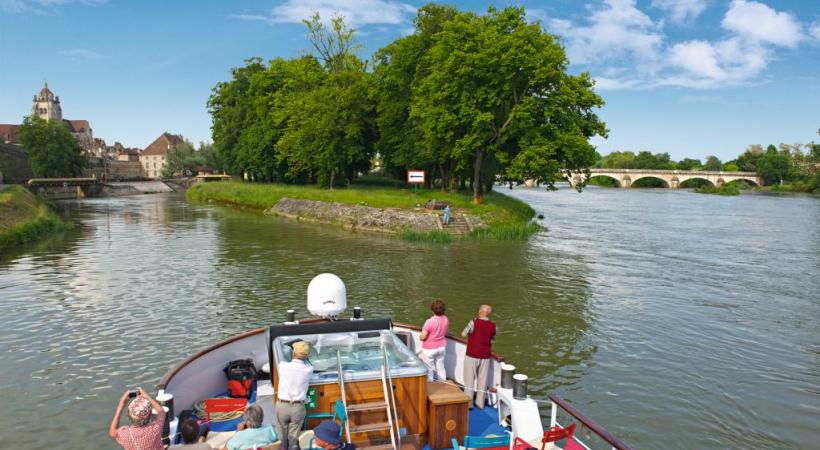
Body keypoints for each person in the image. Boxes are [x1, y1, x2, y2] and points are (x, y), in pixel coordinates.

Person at [275, 340, 313, 450]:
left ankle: (283, 447)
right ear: (306, 356)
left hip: (282, 405)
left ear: (294, 353)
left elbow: (285, 361)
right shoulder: (309, 370)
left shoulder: (283, 366)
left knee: (283, 436)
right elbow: (309, 364)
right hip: (298, 407)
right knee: (294, 438)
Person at [461, 305, 496, 409]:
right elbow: (492, 339)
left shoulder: (473, 322)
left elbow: (463, 334)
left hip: (472, 354)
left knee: (469, 380)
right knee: (483, 380)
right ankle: (480, 404)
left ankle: (469, 404)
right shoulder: (493, 326)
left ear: (480, 311)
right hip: (485, 356)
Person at [419, 299, 448, 381]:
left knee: (429, 369)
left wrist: (420, 336)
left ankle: (431, 387)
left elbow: (423, 337)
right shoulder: (445, 319)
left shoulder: (429, 322)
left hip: (429, 349)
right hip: (441, 347)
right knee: (441, 367)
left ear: (432, 310)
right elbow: (445, 332)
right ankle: (443, 384)